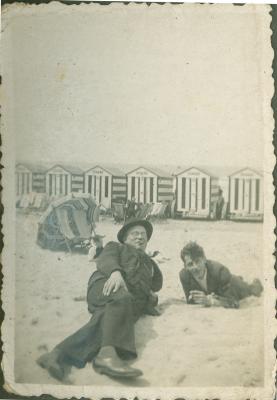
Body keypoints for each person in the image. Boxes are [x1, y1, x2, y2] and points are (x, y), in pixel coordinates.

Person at [37, 219, 163, 381]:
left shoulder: (150, 264)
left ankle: (55, 355)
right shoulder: (116, 247)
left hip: (124, 302)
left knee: (106, 318)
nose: (140, 237)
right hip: (105, 285)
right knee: (121, 296)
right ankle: (107, 356)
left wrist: (151, 298)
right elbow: (105, 260)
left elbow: (154, 286)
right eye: (135, 234)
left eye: (143, 235)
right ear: (124, 238)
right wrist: (115, 273)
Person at [179, 242, 263, 309]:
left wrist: (211, 301)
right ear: (185, 267)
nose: (195, 267)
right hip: (220, 288)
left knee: (253, 290)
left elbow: (234, 303)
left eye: (198, 261)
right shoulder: (184, 276)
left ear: (204, 259)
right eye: (190, 264)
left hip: (234, 284)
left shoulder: (220, 271)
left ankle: (253, 283)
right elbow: (191, 301)